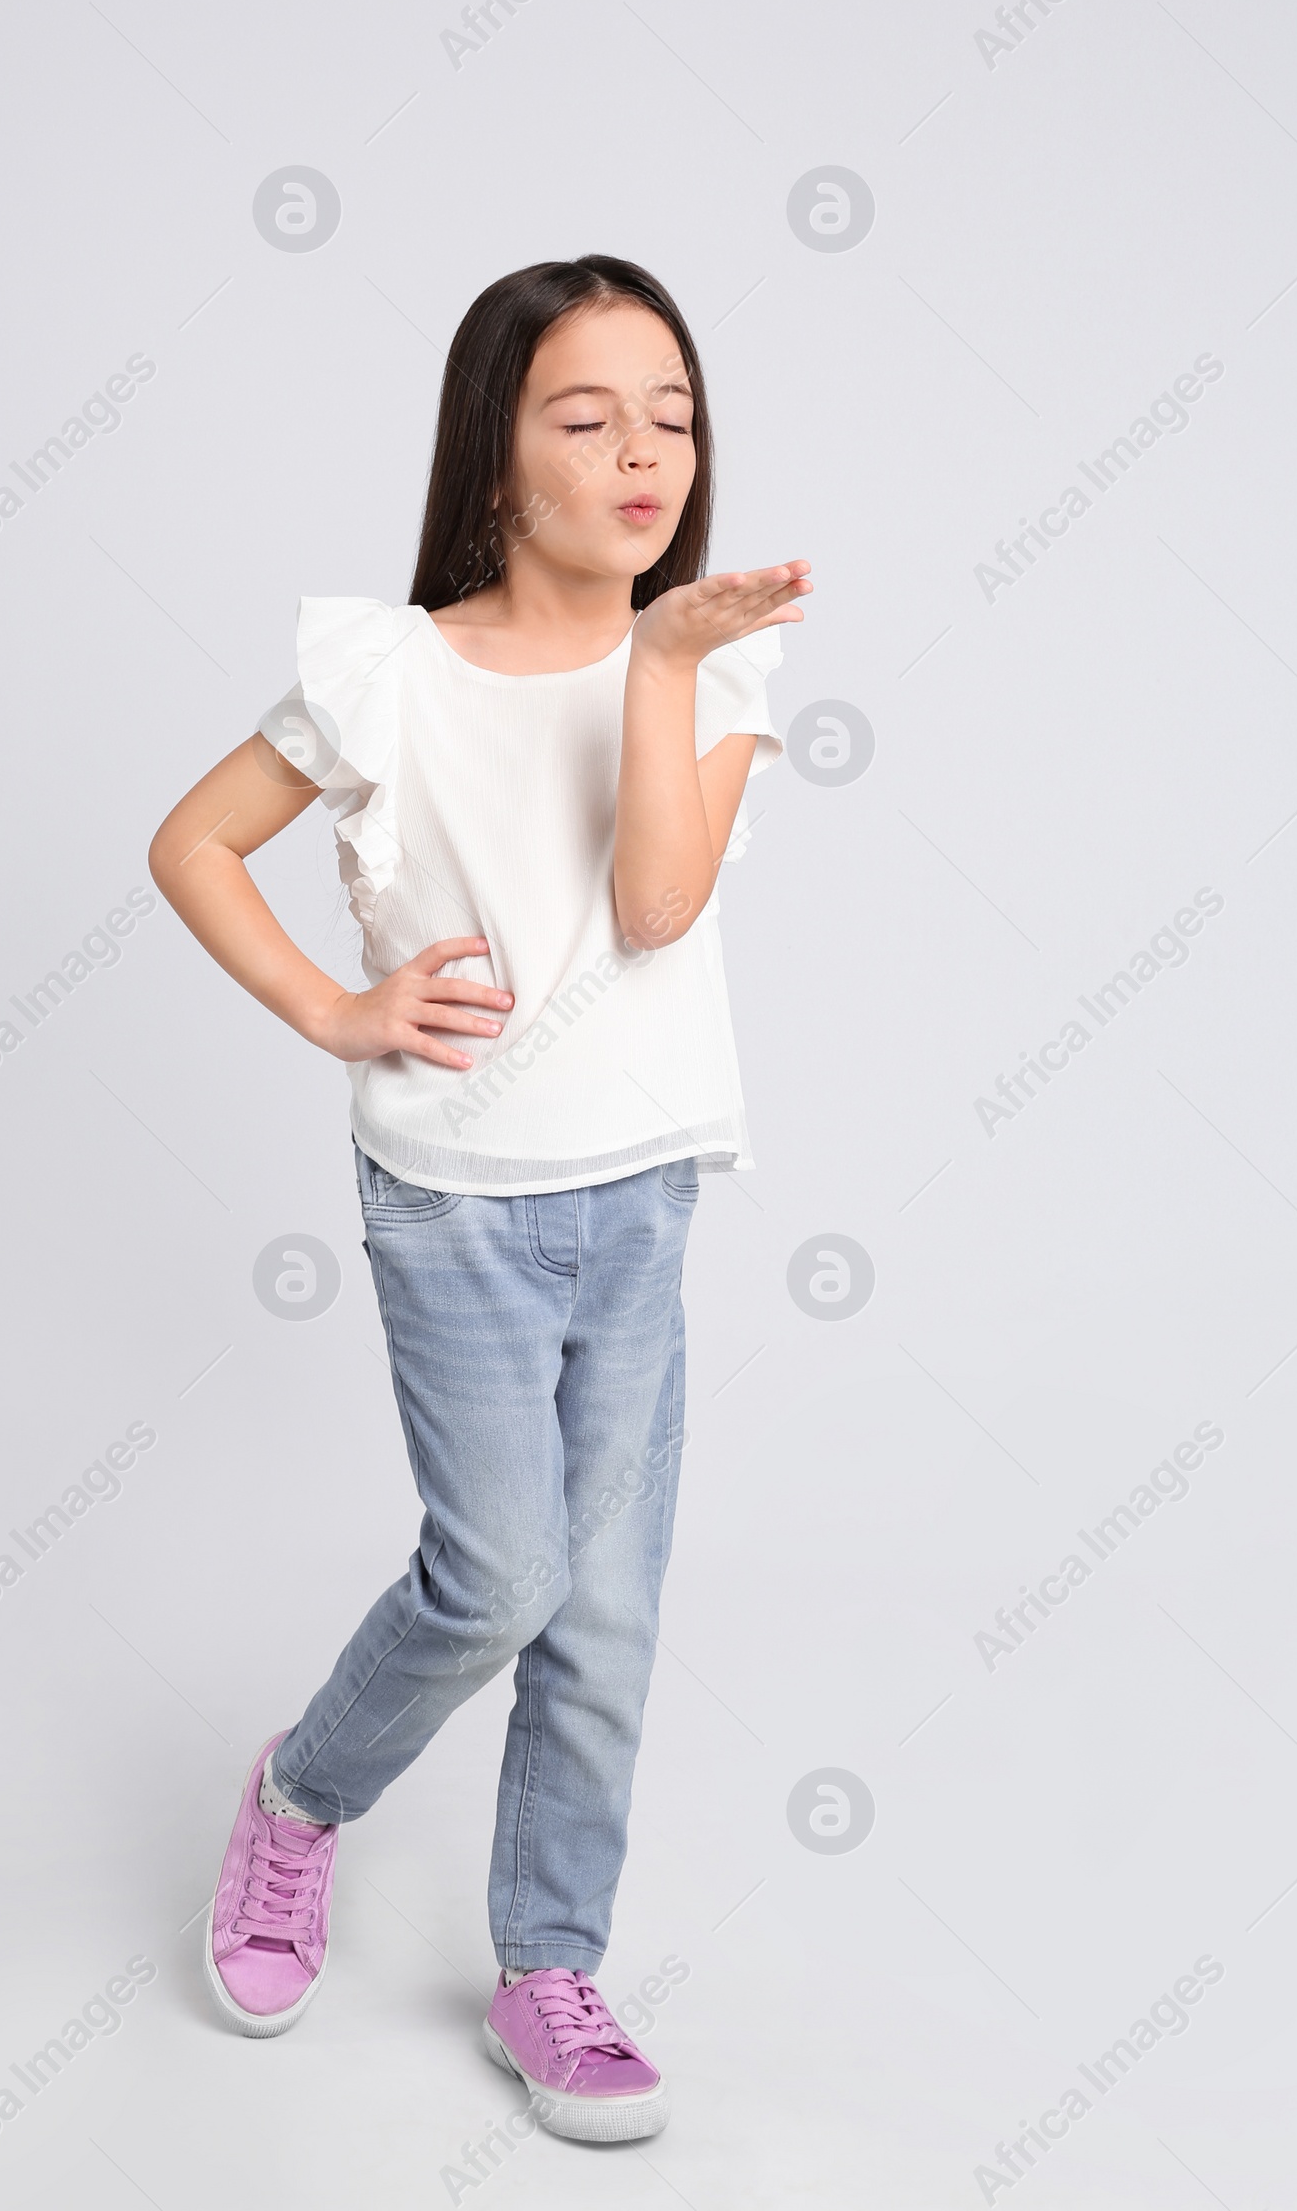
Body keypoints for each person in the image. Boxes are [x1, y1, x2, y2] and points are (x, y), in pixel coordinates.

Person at [148, 253, 807, 2143]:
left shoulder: (717, 659)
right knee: (500, 1578)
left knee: (603, 1613)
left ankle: (549, 1962)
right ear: (494, 455)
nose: (642, 452)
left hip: (642, 1196)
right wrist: (334, 1006)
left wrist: (666, 664)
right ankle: (300, 1797)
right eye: (585, 415)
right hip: (453, 1202)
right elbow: (195, 843)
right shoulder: (391, 670)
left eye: (671, 413)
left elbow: (656, 904)